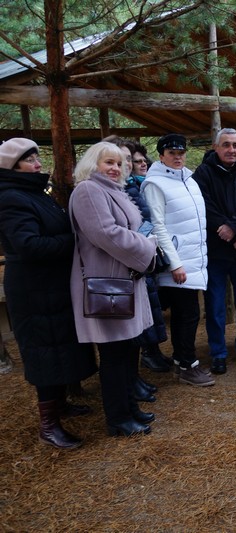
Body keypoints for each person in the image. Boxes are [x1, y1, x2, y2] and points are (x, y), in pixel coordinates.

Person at [0, 138, 97, 449]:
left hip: (51, 285)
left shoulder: (33, 193)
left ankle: (60, 404)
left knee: (59, 347)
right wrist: (73, 242)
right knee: (44, 352)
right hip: (33, 289)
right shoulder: (11, 198)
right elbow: (29, 245)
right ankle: (49, 424)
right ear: (12, 167)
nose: (38, 164)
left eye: (36, 158)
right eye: (30, 160)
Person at [69, 141, 158, 437]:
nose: (115, 168)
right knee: (114, 355)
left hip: (124, 280)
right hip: (108, 284)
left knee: (127, 350)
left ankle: (129, 408)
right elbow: (105, 234)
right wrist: (147, 248)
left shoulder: (112, 190)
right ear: (93, 163)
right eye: (108, 162)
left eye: (119, 163)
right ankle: (118, 418)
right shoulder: (88, 190)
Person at [142, 134, 214, 387]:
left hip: (195, 260)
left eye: (181, 153)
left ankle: (183, 360)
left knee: (189, 314)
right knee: (187, 314)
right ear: (161, 155)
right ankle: (186, 364)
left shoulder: (189, 179)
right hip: (178, 263)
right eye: (172, 153)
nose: (178, 157)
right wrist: (175, 263)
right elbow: (158, 226)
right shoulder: (155, 184)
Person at [193, 128, 236, 375]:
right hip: (216, 251)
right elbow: (204, 205)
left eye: (235, 145)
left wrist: (234, 228)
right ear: (216, 147)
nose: (231, 150)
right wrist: (225, 229)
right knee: (215, 305)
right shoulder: (203, 174)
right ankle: (218, 352)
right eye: (226, 145)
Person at [119, 138, 171, 376]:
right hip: (131, 260)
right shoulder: (123, 189)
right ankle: (142, 363)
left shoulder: (136, 186)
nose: (134, 164)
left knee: (150, 308)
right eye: (129, 159)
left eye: (137, 160)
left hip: (145, 256)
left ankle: (151, 353)